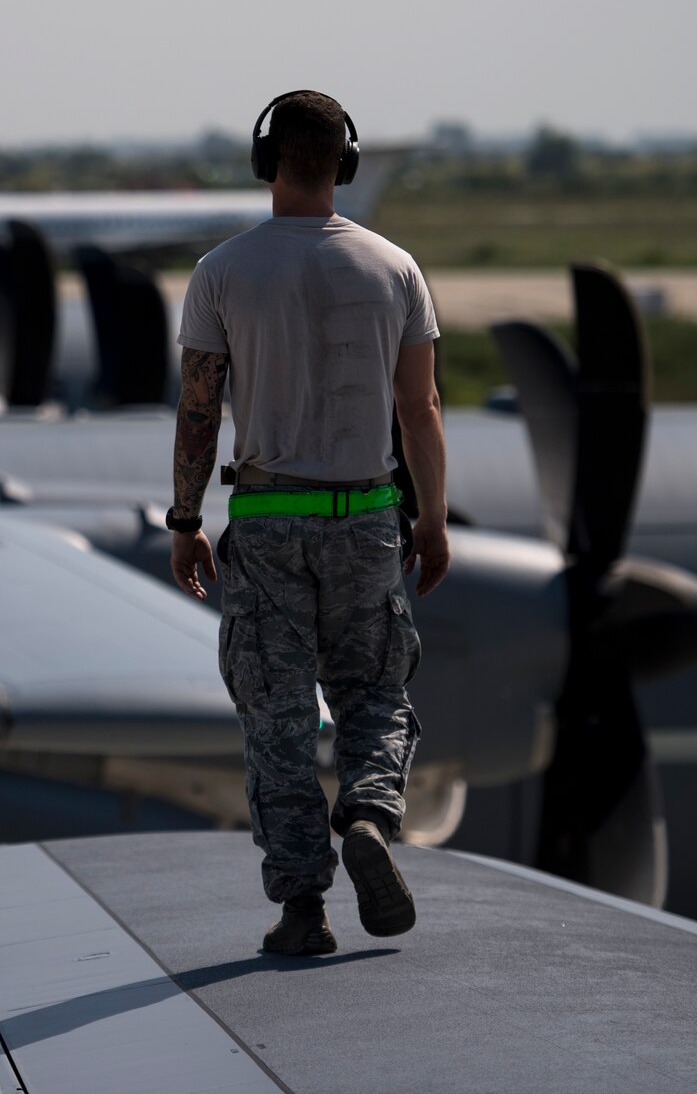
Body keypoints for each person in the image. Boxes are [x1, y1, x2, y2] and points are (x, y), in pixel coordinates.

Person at [167, 90, 448, 955]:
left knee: (279, 716)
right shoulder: (395, 267)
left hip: (268, 515)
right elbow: (421, 407)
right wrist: (431, 523)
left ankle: (303, 909)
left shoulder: (222, 270)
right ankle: (367, 809)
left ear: (266, 161)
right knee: (374, 691)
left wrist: (185, 517)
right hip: (367, 515)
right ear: (345, 162)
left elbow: (200, 410)